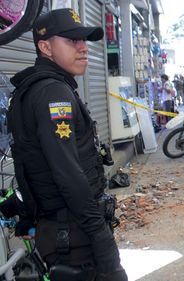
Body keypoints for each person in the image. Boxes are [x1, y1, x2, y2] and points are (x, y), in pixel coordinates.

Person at [7, 8, 127, 280]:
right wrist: (100, 235)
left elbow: (31, 160)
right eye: (72, 41)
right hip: (75, 235)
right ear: (45, 47)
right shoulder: (53, 92)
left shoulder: (32, 88)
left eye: (84, 40)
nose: (83, 48)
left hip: (62, 230)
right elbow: (66, 172)